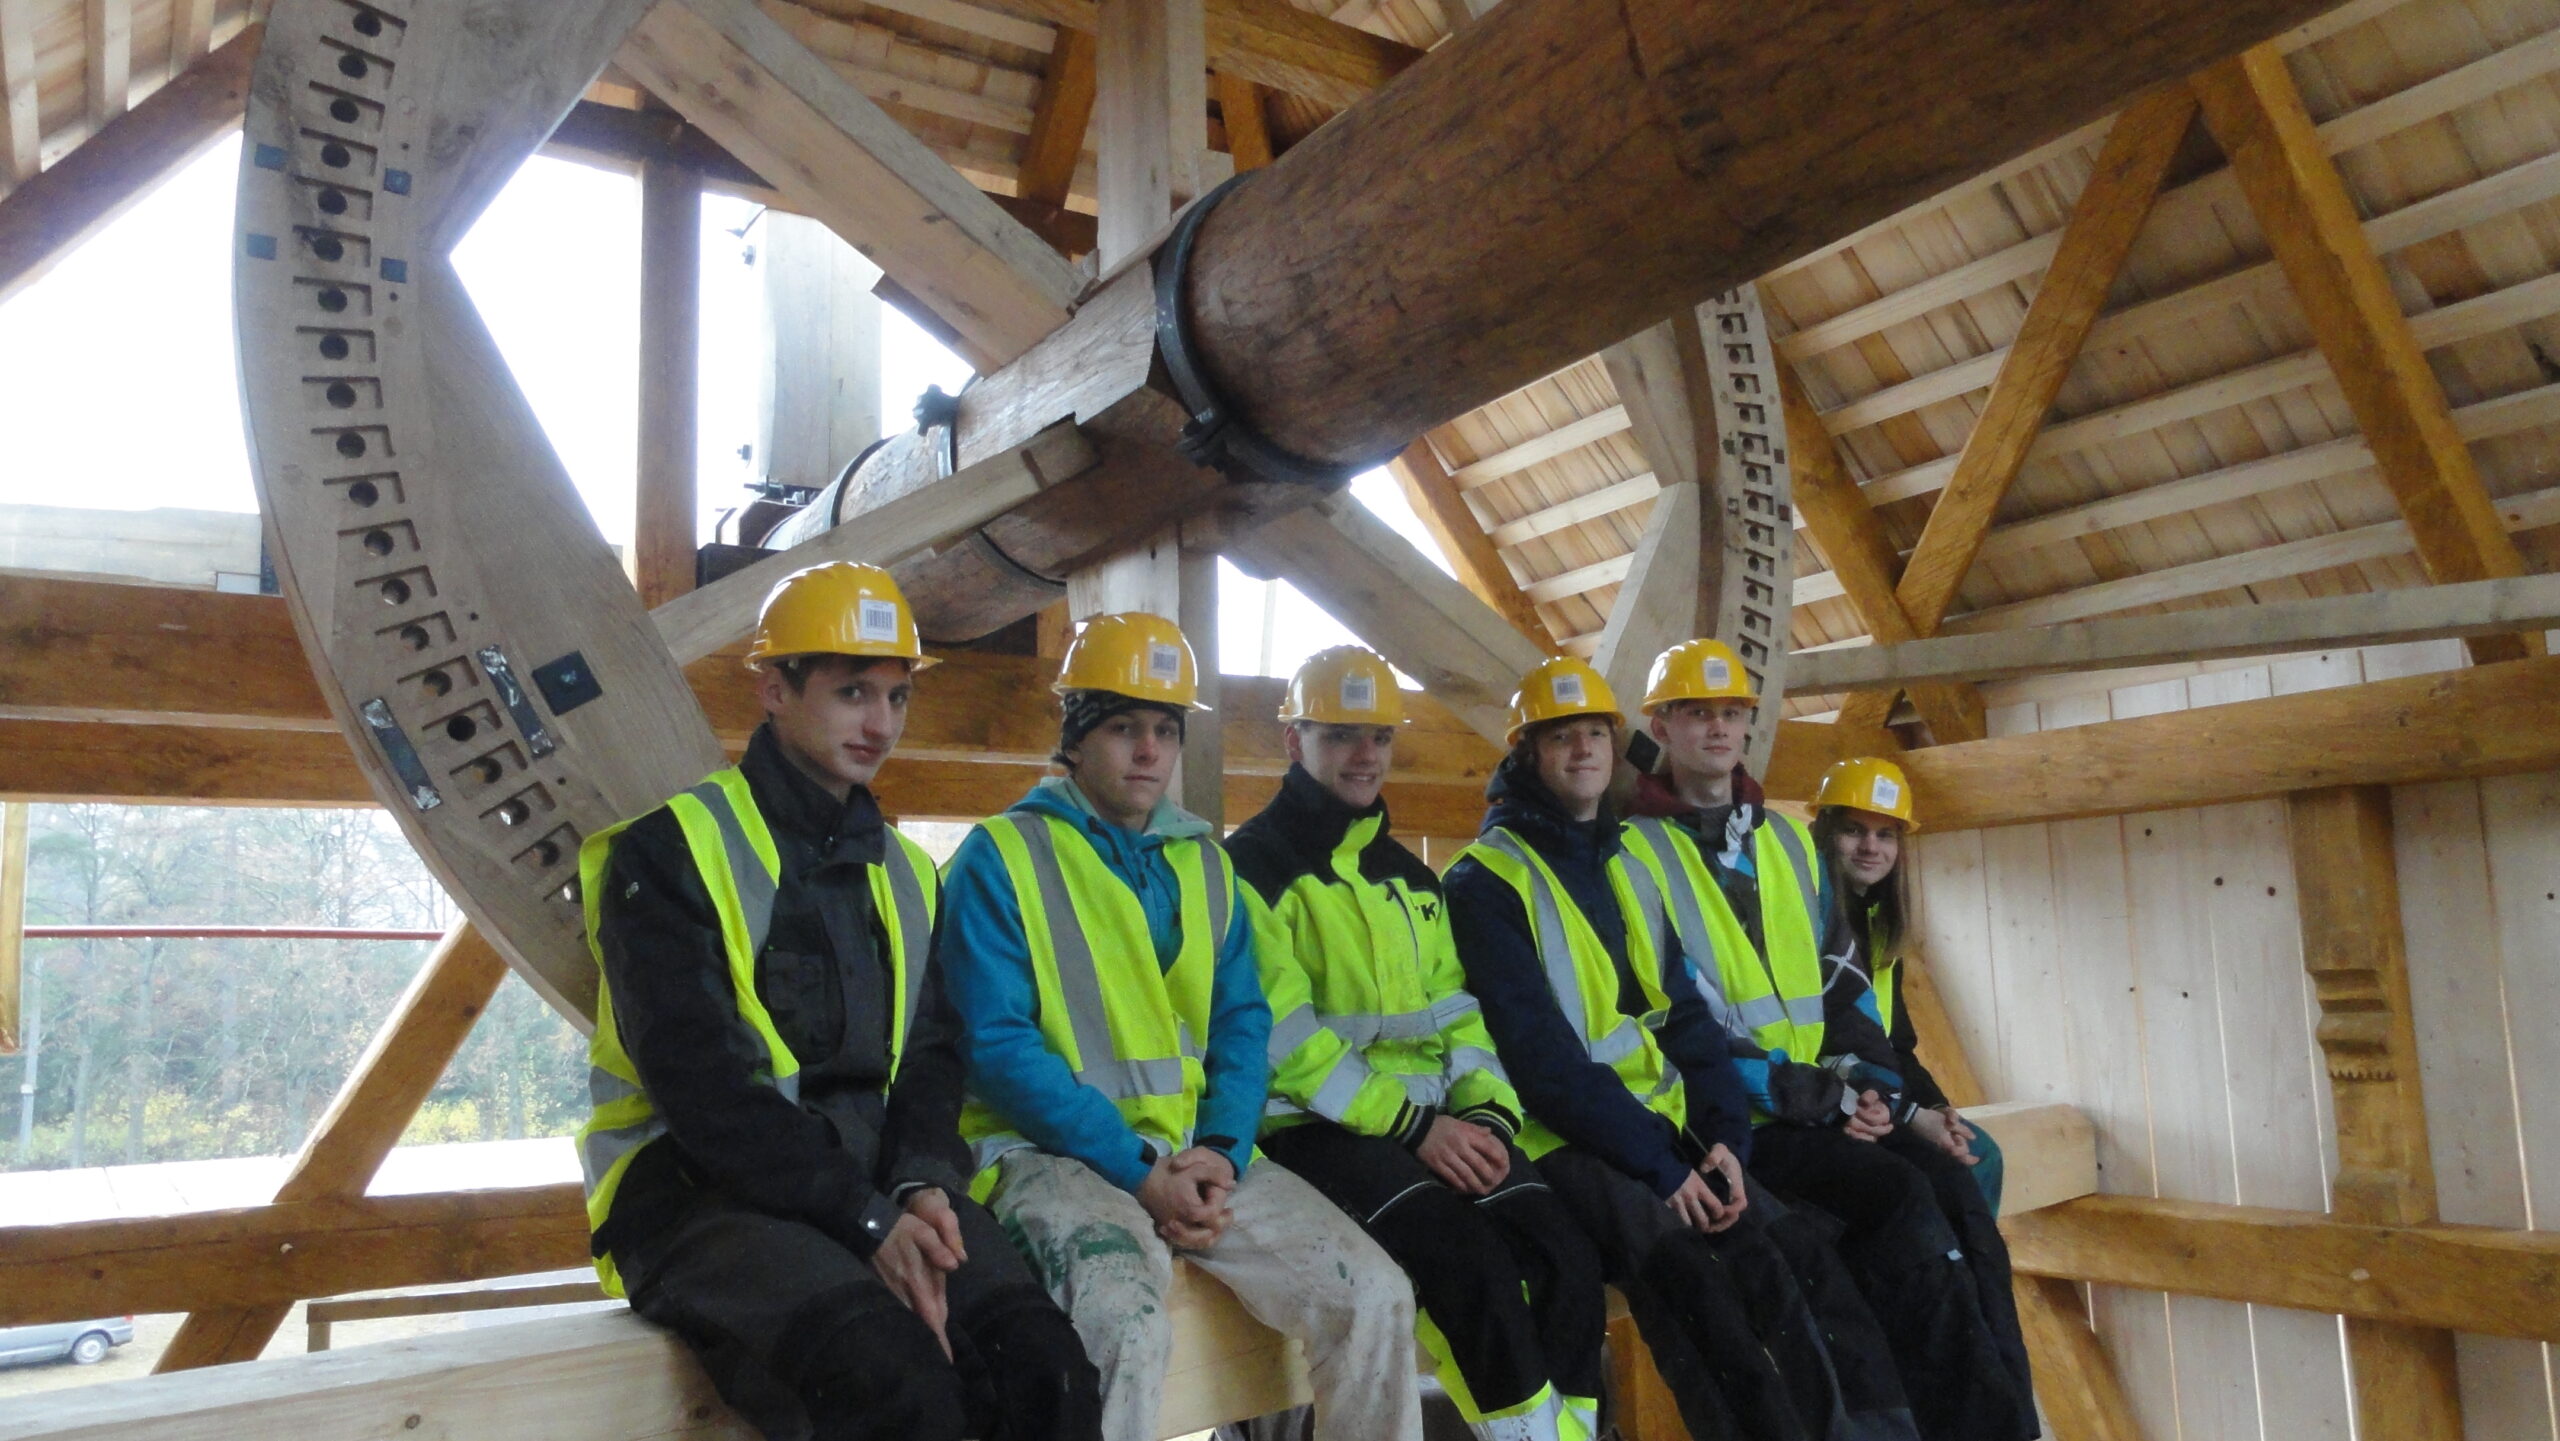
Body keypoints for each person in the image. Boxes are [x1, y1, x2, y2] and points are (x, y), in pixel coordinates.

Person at [577, 562, 1100, 1441]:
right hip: (697, 1195)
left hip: (871, 1182)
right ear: (773, 689)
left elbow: (932, 1054)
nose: (880, 723)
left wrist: (924, 1184)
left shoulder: (908, 873)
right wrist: (867, 1219)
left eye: (897, 696)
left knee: (1047, 1373)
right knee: (895, 1387)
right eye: (853, 691)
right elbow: (704, 1092)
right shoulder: (668, 853)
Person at [940, 614, 1424, 1441]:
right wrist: (1139, 1169)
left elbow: (1243, 1021)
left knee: (1374, 1296)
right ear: (1075, 736)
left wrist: (1225, 1150)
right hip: (1049, 1156)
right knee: (1123, 1326)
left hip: (1199, 1153)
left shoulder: (1203, 862)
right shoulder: (1000, 856)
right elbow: (995, 1045)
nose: (1148, 751)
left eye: (1165, 729)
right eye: (1123, 727)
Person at [1443, 656, 1918, 1441]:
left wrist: (1726, 1139)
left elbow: (1687, 1022)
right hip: (1563, 1139)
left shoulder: (1622, 861)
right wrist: (1666, 1170)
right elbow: (1544, 1065)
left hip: (1659, 1126)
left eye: (1596, 733)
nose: (1584, 750)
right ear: (1525, 753)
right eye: (1560, 736)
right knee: (1696, 1289)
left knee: (1794, 1258)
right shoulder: (1484, 881)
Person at [1619, 640, 2036, 1441]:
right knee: (1896, 1198)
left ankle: (2007, 1420)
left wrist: (1880, 1093)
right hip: (1737, 1121)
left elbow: (1843, 988)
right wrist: (1825, 1097)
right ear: (1662, 726)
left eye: (1731, 713)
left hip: (1821, 1105)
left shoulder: (1786, 843)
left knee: (1956, 1188)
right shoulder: (1633, 852)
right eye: (1697, 712)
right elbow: (1678, 1020)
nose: (1718, 728)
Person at [1226, 646, 1608, 1441]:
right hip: (1315, 1129)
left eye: (1379, 736)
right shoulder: (1250, 870)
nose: (1365, 754)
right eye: (1340, 734)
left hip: (1438, 1124)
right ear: (1294, 740)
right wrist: (1417, 1128)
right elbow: (1284, 1042)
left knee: (1567, 1257)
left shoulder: (1411, 876)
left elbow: (1459, 1017)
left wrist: (1488, 1116)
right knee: (1471, 1267)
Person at [1810, 756, 2029, 1388]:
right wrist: (1907, 1115)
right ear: (1825, 833)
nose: (1871, 847)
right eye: (1855, 831)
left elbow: (1897, 1044)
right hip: (1831, 1099)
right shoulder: (1810, 917)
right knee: (1917, 1184)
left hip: (1881, 1092)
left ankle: (1958, 1307)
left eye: (1886, 834)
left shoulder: (1880, 924)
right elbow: (1829, 1041)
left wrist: (1939, 1112)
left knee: (1978, 1153)